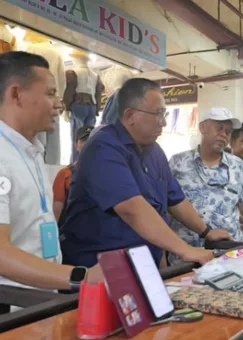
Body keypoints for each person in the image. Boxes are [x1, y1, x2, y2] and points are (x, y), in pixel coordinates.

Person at [61, 79, 230, 268]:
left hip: (143, 263)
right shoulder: (103, 147)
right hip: (100, 268)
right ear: (130, 115)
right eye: (158, 114)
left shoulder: (154, 151)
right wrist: (185, 249)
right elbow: (131, 209)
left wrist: (206, 231)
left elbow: (175, 200)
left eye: (164, 114)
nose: (164, 122)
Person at [0, 51, 102, 292]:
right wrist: (81, 276)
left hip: (40, 302)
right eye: (50, 93)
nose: (59, 103)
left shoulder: (32, 151)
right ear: (16, 94)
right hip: (11, 312)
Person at [169, 107, 243, 263]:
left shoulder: (238, 166)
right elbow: (167, 204)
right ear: (203, 127)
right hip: (186, 253)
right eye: (219, 128)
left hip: (226, 254)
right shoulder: (177, 163)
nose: (223, 134)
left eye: (228, 131)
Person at [52, 126, 94, 224]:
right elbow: (57, 207)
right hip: (72, 232)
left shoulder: (109, 172)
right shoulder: (65, 174)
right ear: (76, 145)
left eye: (92, 139)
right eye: (84, 140)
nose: (88, 143)